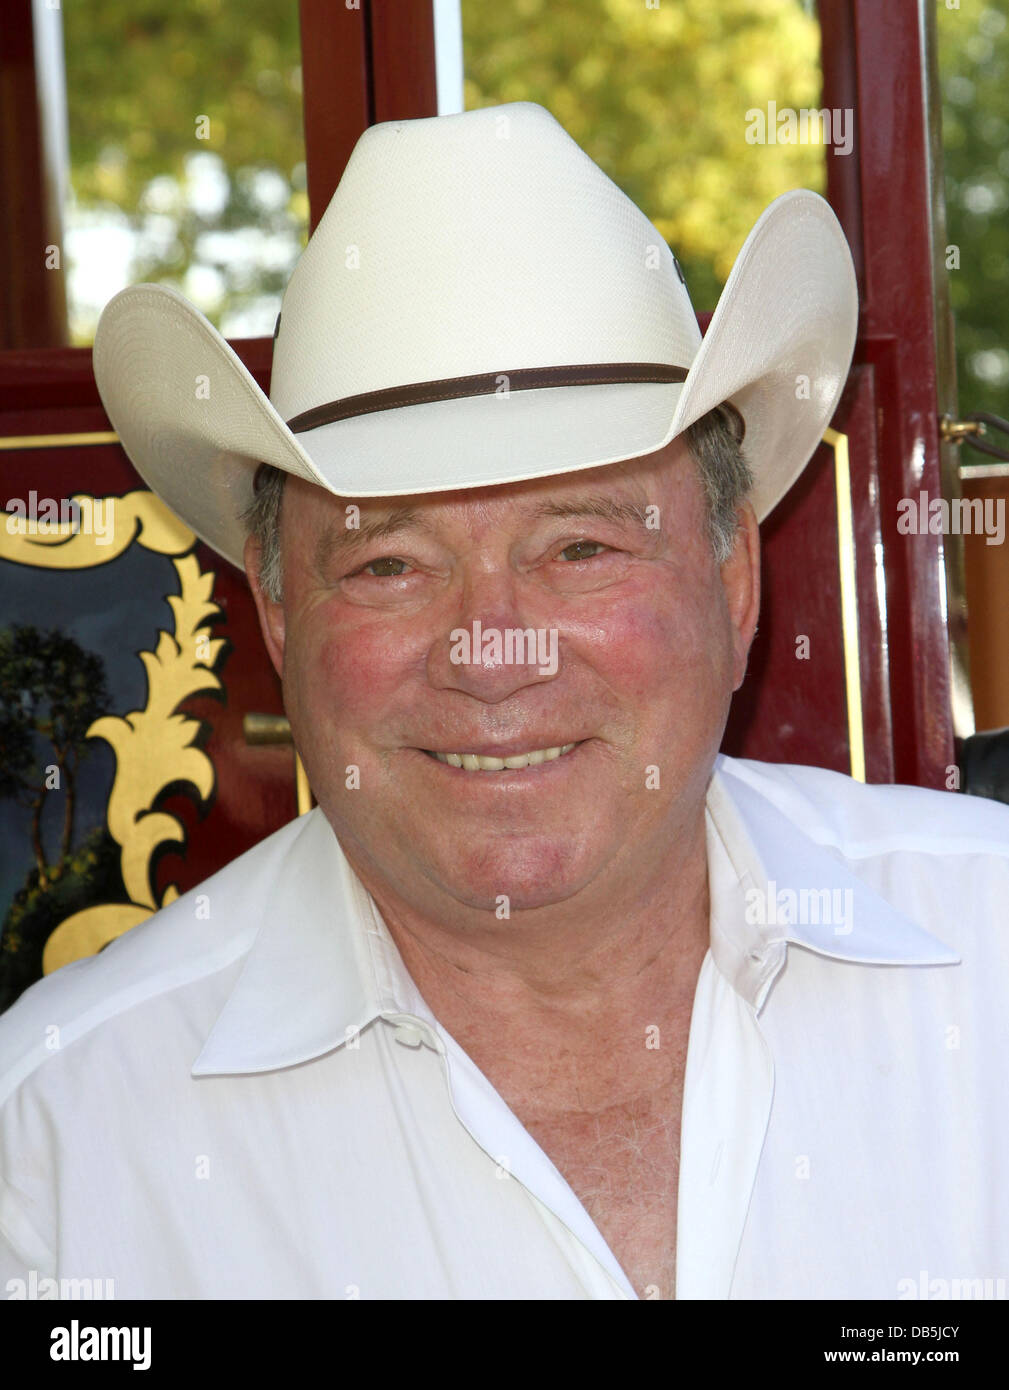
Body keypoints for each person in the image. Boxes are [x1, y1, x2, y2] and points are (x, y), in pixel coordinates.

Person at [2, 101, 1008, 1302]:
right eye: (389, 564)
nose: (490, 648)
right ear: (277, 619)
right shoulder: (58, 1141)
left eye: (581, 547)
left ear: (735, 576)